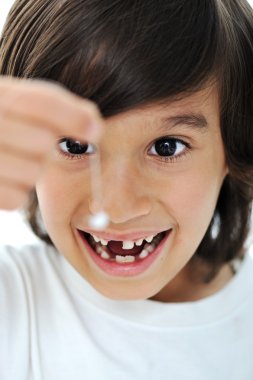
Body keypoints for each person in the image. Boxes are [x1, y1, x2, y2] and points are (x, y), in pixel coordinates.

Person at [0, 0, 252, 379]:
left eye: (167, 147)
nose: (116, 208)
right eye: (75, 146)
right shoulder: (15, 302)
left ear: (232, 149)